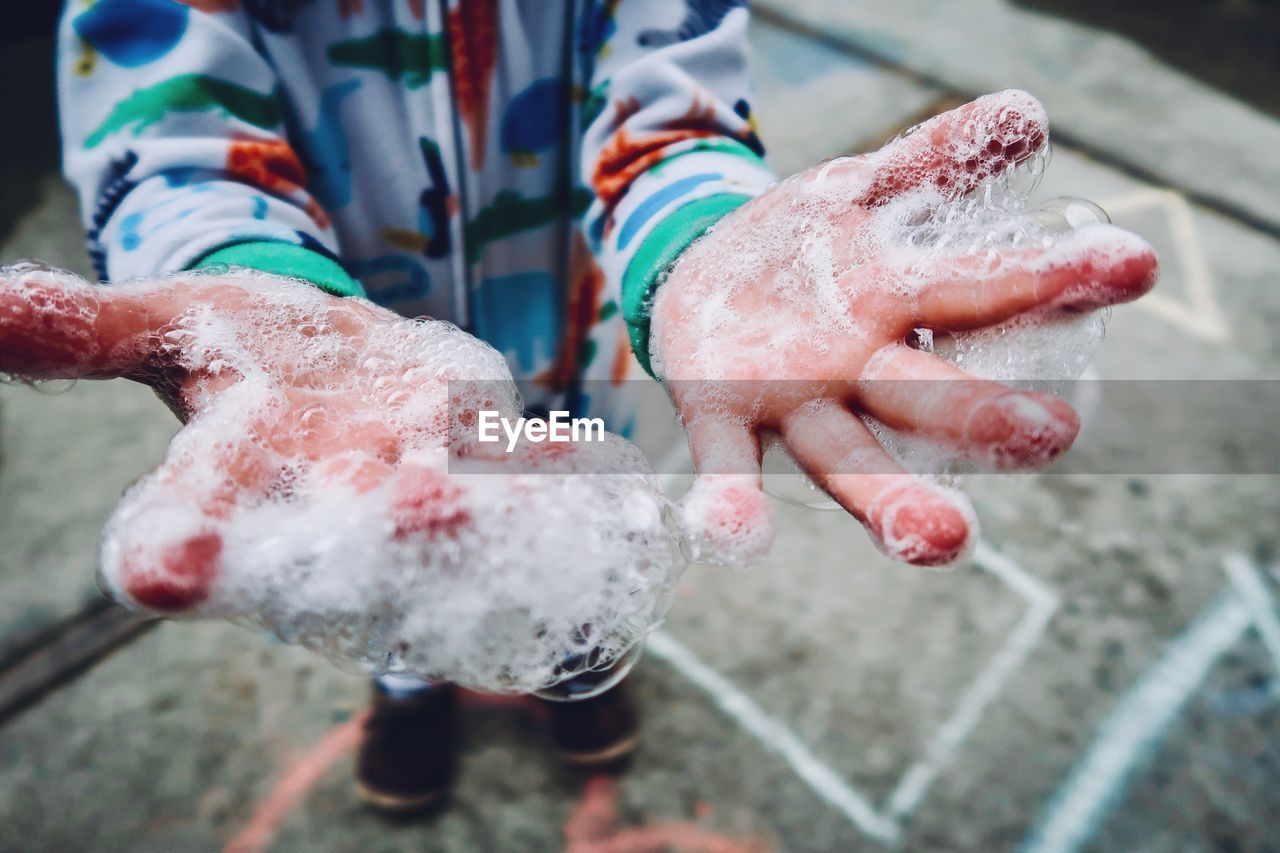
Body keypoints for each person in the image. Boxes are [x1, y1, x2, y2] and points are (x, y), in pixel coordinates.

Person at [9, 0, 1154, 814]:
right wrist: (247, 276)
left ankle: (568, 650)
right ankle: (411, 679)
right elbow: (167, 124)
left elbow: (668, 99)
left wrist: (694, 242)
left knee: (564, 498)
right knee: (395, 521)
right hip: (357, 358)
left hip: (573, 343)